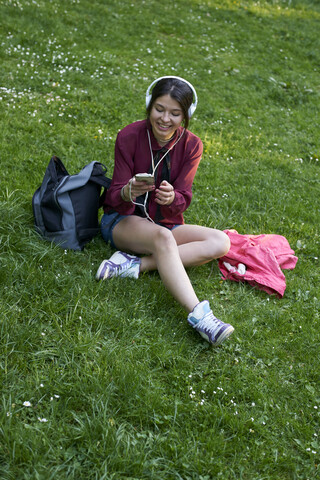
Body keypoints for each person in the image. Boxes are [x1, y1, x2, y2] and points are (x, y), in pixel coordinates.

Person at [96, 76, 234, 346]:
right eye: (159, 109)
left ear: (186, 114)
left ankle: (135, 265)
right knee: (162, 238)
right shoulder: (129, 135)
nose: (165, 119)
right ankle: (200, 316)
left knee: (221, 241)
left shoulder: (192, 145)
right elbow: (113, 196)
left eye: (175, 113)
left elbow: (184, 197)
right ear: (149, 105)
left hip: (165, 223)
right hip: (123, 220)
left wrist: (172, 199)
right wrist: (128, 191)